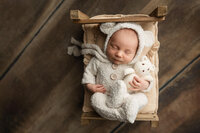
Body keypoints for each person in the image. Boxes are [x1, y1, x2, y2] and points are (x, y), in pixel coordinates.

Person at [81, 22, 154, 123]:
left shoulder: (136, 64)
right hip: (106, 97)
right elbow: (88, 73)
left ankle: (127, 108)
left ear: (136, 53)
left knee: (142, 98)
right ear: (107, 42)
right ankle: (122, 115)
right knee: (95, 99)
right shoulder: (99, 60)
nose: (119, 54)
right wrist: (90, 86)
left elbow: (147, 76)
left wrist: (144, 84)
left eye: (127, 52)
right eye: (114, 47)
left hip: (127, 98)